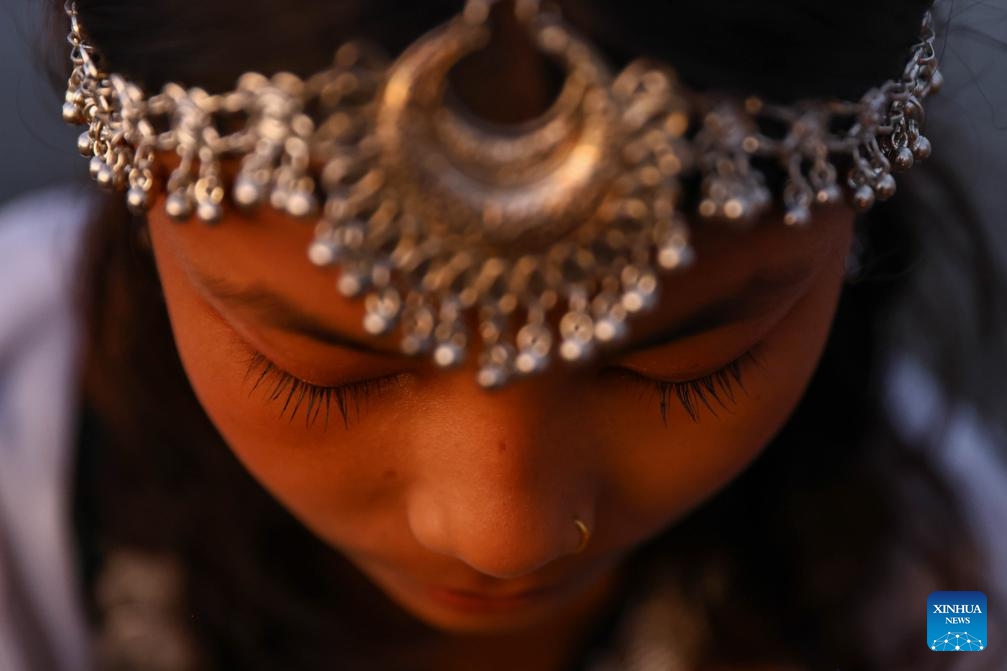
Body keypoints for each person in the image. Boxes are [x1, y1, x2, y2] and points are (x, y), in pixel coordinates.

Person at [0, 0, 1003, 669]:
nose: (501, 533)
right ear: (149, 202)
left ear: (849, 223)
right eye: (321, 371)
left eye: (685, 366)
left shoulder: (943, 599)